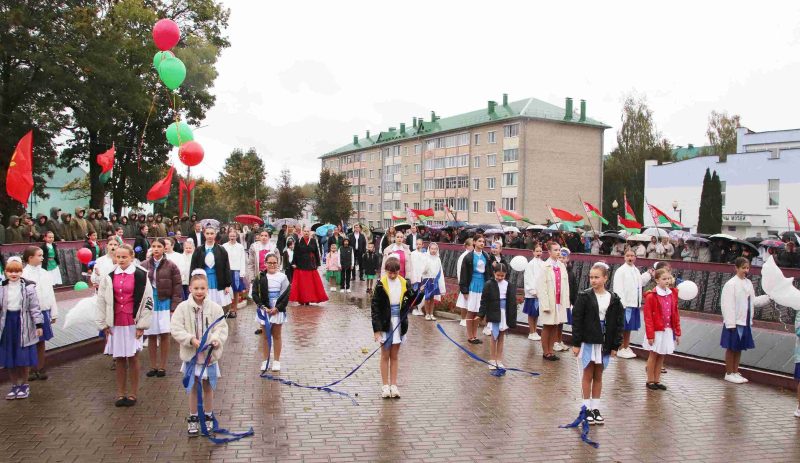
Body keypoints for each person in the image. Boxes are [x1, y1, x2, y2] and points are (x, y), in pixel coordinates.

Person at [170, 270, 228, 436]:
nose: (199, 291)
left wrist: (216, 340)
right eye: (196, 288)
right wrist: (190, 340)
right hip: (191, 355)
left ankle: (209, 415)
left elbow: (222, 327)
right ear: (190, 289)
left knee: (208, 386)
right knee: (193, 387)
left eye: (203, 288)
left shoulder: (215, 308)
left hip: (209, 356)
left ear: (207, 289)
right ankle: (193, 417)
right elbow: (176, 328)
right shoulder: (182, 307)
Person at [96, 244, 153, 406]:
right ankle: (121, 394)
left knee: (133, 357)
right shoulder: (109, 275)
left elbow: (148, 301)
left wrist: (142, 324)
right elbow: (101, 300)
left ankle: (133, 393)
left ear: (131, 257)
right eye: (118, 257)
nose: (120, 260)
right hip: (115, 321)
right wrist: (103, 324)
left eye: (124, 257)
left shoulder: (141, 274)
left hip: (132, 322)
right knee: (119, 358)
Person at [571, 262, 624, 425]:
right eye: (591, 277)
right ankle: (585, 407)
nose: (593, 280)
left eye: (597, 277)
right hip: (589, 340)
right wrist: (576, 343)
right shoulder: (584, 296)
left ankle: (596, 408)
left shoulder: (614, 299)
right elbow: (577, 321)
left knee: (598, 375)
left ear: (605, 278)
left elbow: (618, 323)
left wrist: (616, 345)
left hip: (605, 342)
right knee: (588, 374)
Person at [371, 256, 418, 398]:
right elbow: (375, 308)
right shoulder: (380, 285)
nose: (392, 275)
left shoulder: (404, 283)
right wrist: (376, 329)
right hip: (385, 323)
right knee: (385, 355)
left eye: (395, 273)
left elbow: (411, 301)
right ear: (385, 271)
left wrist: (419, 293)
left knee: (395, 355)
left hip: (399, 322)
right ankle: (385, 386)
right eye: (389, 273)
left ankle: (394, 385)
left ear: (399, 271)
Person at [720, 257, 771, 383]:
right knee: (731, 347)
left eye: (747, 268)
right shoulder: (731, 284)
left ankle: (735, 371)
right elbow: (727, 305)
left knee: (739, 347)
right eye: (743, 268)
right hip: (734, 321)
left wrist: (769, 297)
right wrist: (730, 323)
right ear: (736, 268)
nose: (746, 270)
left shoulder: (748, 283)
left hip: (745, 320)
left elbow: (753, 301)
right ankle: (729, 372)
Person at [0, 257, 43, 400]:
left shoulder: (28, 287)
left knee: (23, 357)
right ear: (5, 272)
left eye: (17, 271)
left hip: (23, 323)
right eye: (10, 271)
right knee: (10, 357)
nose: (14, 274)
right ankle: (14, 385)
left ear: (21, 272)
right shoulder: (2, 288)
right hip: (7, 324)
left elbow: (34, 307)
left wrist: (38, 325)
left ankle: (25, 385)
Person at [142, 238, 183, 378]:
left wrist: (174, 306)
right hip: (150, 302)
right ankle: (153, 365)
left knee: (164, 333)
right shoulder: (144, 265)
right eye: (153, 246)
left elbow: (177, 286)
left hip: (165, 301)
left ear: (164, 248)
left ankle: (162, 366)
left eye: (159, 246)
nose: (156, 249)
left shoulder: (171, 265)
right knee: (152, 334)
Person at [21, 246, 58, 382]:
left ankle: (41, 367)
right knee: (30, 341)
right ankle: (31, 368)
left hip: (44, 311)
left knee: (41, 341)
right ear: (30, 258)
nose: (42, 258)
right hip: (29, 313)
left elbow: (50, 293)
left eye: (42, 255)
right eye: (39, 255)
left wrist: (53, 313)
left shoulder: (45, 273)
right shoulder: (23, 275)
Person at [642, 268, 681, 391]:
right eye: (664, 279)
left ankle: (657, 379)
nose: (667, 281)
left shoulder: (672, 294)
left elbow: (675, 313)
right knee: (653, 354)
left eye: (668, 278)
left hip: (667, 330)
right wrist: (650, 335)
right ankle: (650, 380)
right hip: (656, 330)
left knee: (662, 355)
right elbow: (648, 317)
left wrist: (677, 332)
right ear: (657, 280)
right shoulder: (651, 296)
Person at [252, 253, 290, 372]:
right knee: (265, 336)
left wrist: (277, 308)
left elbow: (286, 295)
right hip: (265, 310)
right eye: (270, 263)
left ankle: (277, 361)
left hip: (277, 309)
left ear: (278, 263)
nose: (272, 265)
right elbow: (254, 294)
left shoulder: (283, 277)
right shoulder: (260, 277)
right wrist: (263, 307)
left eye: (274, 263)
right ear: (265, 263)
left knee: (277, 335)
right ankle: (265, 360)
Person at [612, 247, 653, 359]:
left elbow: (640, 281)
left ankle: (626, 346)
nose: (630, 258)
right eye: (628, 256)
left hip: (634, 303)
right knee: (623, 327)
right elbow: (618, 288)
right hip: (625, 304)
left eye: (632, 256)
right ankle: (620, 347)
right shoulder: (621, 270)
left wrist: (649, 274)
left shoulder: (635, 270)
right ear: (624, 257)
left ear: (635, 257)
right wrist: (622, 303)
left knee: (629, 328)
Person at [478, 262, 518, 369]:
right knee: (493, 337)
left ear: (505, 274)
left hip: (504, 314)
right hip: (494, 312)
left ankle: (499, 360)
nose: (500, 277)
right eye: (498, 275)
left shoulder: (509, 285)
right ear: (494, 273)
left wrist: (512, 317)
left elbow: (512, 302)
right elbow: (484, 300)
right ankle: (492, 359)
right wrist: (481, 314)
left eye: (502, 275)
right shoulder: (489, 284)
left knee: (501, 337)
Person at [536, 241, 570, 361]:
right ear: (549, 252)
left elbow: (565, 285)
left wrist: (566, 302)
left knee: (556, 325)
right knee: (548, 326)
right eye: (555, 250)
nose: (558, 252)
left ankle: (551, 350)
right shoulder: (545, 267)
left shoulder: (561, 266)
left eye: (559, 250)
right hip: (550, 301)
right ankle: (546, 352)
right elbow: (541, 287)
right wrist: (545, 304)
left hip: (559, 301)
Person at [190, 227, 232, 309]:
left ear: (215, 235)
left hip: (218, 280)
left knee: (217, 306)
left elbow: (226, 267)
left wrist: (227, 285)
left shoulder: (221, 250)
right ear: (204, 234)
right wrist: (191, 283)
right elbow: (193, 267)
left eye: (212, 233)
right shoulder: (198, 250)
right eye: (207, 233)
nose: (210, 236)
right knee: (203, 305)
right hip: (202, 281)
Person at [460, 234, 490, 345]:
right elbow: (464, 274)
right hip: (472, 285)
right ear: (474, 242)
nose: (482, 243)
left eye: (483, 241)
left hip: (483, 285)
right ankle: (470, 336)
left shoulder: (486, 256)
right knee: (471, 310)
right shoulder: (468, 257)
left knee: (478, 311)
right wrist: (464, 290)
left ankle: (475, 335)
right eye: (480, 241)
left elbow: (489, 273)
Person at [288, 228, 328, 305]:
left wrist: (318, 263)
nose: (306, 233)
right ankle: (301, 299)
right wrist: (294, 262)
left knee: (309, 285)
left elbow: (316, 251)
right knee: (301, 284)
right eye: (305, 231)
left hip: (310, 265)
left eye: (307, 231)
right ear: (302, 232)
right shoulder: (298, 241)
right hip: (300, 264)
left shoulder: (313, 241)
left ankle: (308, 300)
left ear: (309, 233)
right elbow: (295, 253)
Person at [555, 249, 578, 353]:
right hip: (557, 300)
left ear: (567, 259)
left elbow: (573, 287)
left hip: (566, 301)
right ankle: (554, 341)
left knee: (562, 322)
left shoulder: (570, 272)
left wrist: (574, 300)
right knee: (556, 322)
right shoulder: (555, 270)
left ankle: (559, 340)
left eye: (564, 257)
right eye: (560, 257)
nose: (561, 259)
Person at [222, 229, 248, 317]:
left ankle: (234, 309)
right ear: (228, 236)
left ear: (236, 236)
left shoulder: (240, 247)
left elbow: (242, 259)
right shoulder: (224, 246)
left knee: (236, 290)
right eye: (230, 236)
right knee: (227, 290)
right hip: (227, 270)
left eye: (234, 236)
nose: (232, 237)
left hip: (236, 270)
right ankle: (228, 309)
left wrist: (242, 272)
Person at [420, 242, 447, 321]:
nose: (434, 250)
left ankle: (431, 313)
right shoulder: (425, 257)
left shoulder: (438, 259)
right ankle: (427, 313)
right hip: (427, 280)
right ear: (429, 249)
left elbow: (439, 270)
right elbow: (422, 269)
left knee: (432, 298)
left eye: (435, 249)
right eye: (432, 249)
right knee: (427, 297)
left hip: (434, 281)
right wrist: (425, 269)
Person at [523, 243, 544, 342]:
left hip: (540, 292)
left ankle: (535, 330)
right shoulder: (530, 264)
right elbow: (528, 278)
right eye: (537, 251)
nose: (539, 253)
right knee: (531, 313)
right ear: (533, 252)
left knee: (536, 313)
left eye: (540, 251)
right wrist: (532, 290)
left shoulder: (543, 263)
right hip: (532, 293)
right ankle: (531, 331)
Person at [456, 239, 474, 328]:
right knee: (464, 301)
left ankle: (469, 319)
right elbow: (460, 271)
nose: (473, 247)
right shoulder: (464, 256)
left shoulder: (474, 255)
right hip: (465, 282)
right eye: (471, 245)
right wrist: (461, 284)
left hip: (473, 282)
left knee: (471, 302)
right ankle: (463, 319)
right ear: (467, 246)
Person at [409, 238, 427, 316]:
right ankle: (414, 308)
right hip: (415, 276)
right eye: (417, 244)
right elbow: (411, 265)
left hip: (422, 276)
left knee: (421, 293)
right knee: (414, 291)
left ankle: (419, 308)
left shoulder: (425, 255)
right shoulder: (412, 254)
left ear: (423, 245)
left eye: (420, 244)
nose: (418, 245)